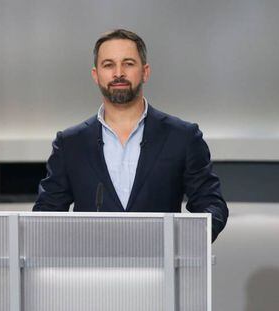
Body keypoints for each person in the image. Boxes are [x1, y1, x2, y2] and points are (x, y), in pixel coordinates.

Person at [33, 29, 228, 242]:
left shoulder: (182, 137)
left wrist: (189, 242)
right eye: (108, 65)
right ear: (96, 75)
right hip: (91, 270)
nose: (118, 73)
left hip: (162, 268)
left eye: (128, 63)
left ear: (145, 72)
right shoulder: (71, 144)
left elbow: (211, 204)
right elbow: (47, 212)